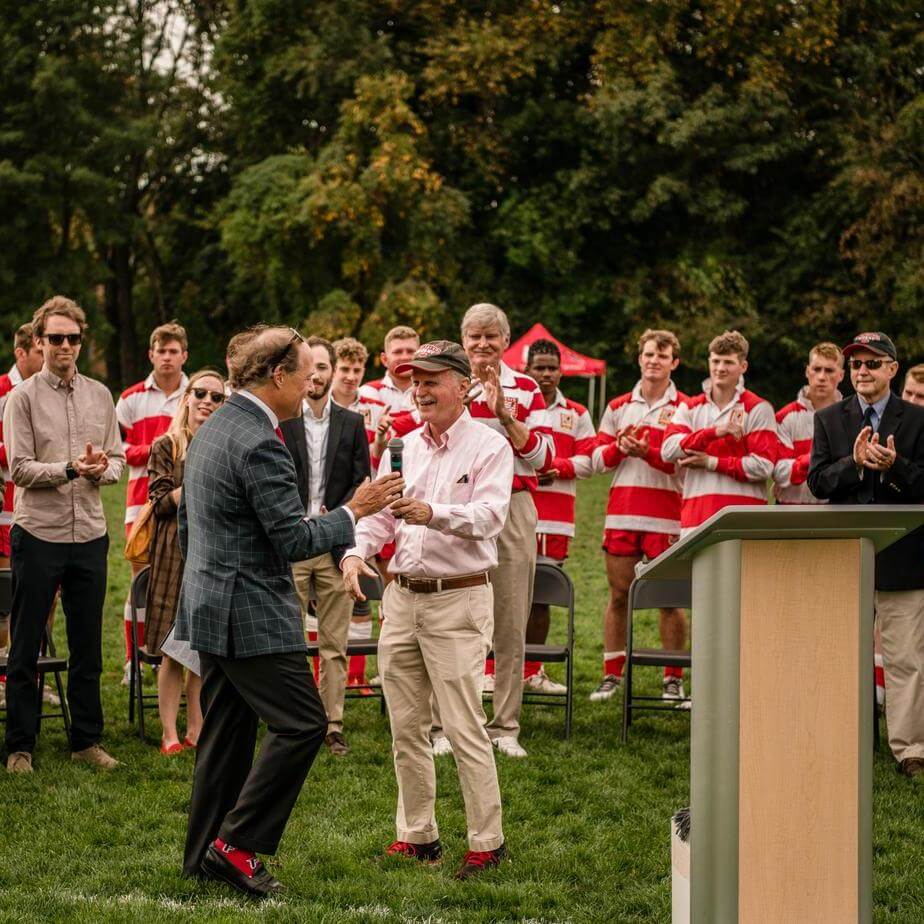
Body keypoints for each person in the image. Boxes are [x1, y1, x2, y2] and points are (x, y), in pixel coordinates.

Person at [175, 325, 402, 896]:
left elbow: (188, 529)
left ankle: (203, 855)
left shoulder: (215, 426)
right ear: (277, 376)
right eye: (305, 376)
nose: (312, 385)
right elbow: (293, 540)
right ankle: (235, 845)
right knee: (303, 725)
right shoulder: (258, 439)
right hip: (249, 612)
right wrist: (354, 510)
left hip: (210, 604)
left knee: (225, 735)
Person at [341, 340, 513, 880]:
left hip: (458, 599)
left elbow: (490, 517)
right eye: (414, 380)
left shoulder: (489, 446)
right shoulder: (402, 445)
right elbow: (379, 516)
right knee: (406, 728)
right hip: (402, 597)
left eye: (432, 380)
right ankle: (418, 835)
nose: (420, 390)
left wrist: (432, 512)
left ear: (463, 386)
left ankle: (488, 843)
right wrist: (353, 551)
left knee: (464, 727)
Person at [3, 296, 125, 774]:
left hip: (90, 533)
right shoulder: (23, 398)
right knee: (27, 643)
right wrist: (72, 468)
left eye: (73, 338)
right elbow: (19, 468)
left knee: (88, 645)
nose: (65, 346)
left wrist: (100, 471)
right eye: (55, 338)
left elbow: (116, 459)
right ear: (39, 341)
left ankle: (86, 741)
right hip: (39, 533)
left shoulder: (100, 394)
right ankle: (20, 746)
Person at [808, 332, 924, 779]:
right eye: (856, 364)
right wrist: (853, 465)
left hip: (904, 557)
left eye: (873, 364)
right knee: (839, 654)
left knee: (906, 659)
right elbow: (818, 482)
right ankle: (840, 739)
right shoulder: (829, 419)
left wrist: (895, 468)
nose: (863, 372)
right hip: (845, 556)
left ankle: (910, 748)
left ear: (893, 369)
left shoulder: (917, 420)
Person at [457, 303, 552, 759]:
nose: (482, 345)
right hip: (457, 510)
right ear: (463, 341)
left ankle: (505, 726)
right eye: (474, 336)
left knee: (510, 619)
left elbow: (542, 460)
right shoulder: (450, 382)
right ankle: (451, 724)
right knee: (455, 618)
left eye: (491, 336)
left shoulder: (528, 388)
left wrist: (506, 415)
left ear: (505, 340)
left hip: (513, 506)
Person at [280, 336, 371, 756]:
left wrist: (342, 522)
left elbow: (361, 482)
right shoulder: (282, 421)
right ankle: (293, 719)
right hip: (293, 542)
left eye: (323, 367)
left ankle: (332, 723)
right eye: (309, 367)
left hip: (334, 543)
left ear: (333, 370)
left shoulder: (352, 424)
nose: (316, 375)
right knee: (288, 638)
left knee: (335, 642)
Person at [590, 329, 688, 702]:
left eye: (662, 356)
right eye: (648, 354)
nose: (653, 361)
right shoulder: (617, 407)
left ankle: (672, 678)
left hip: (667, 516)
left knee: (669, 599)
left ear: (674, 363)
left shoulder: (686, 407)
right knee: (618, 596)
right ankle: (611, 674)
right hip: (623, 514)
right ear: (639, 359)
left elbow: (683, 464)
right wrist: (619, 448)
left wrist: (648, 451)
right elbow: (596, 460)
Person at [146, 369, 227, 755]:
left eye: (217, 397)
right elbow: (158, 501)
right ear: (188, 398)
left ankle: (197, 726)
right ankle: (169, 733)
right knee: (171, 650)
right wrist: (192, 486)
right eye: (201, 394)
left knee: (200, 648)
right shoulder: (167, 446)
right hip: (173, 555)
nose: (208, 402)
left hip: (210, 556)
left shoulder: (223, 447)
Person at [116, 322, 189, 682]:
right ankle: (135, 657)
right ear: (151, 355)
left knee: (182, 582)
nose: (167, 357)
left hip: (186, 505)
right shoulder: (131, 398)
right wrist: (157, 449)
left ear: (184, 356)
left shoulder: (200, 393)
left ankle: (177, 656)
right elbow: (116, 449)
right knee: (141, 581)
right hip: (140, 504)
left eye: (174, 351)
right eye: (161, 351)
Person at [522, 338, 595, 694]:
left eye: (552, 368)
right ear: (527, 370)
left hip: (556, 520)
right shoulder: (515, 406)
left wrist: (559, 467)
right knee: (502, 597)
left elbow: (592, 459)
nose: (547, 374)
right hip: (515, 517)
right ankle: (491, 669)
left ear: (561, 371)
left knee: (541, 598)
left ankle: (532, 671)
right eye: (540, 368)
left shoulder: (577, 413)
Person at [662, 330, 777, 534]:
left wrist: (710, 462)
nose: (720, 368)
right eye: (715, 361)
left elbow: (763, 466)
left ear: (743, 366)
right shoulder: (689, 407)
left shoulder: (759, 408)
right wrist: (713, 432)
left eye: (728, 362)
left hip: (744, 523)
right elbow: (668, 450)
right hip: (695, 523)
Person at [331, 336, 390, 686]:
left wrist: (380, 440)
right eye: (345, 369)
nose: (351, 376)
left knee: (361, 593)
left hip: (364, 507)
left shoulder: (372, 405)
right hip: (332, 506)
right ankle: (321, 675)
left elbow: (375, 459)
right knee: (321, 598)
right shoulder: (317, 404)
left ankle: (357, 676)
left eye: (357, 369)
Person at [0, 323, 45, 698]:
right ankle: (4, 676)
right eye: (40, 350)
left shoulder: (48, 394)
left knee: (43, 601)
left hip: (44, 514)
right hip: (5, 511)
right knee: (5, 599)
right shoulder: (2, 390)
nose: (48, 356)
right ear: (21, 353)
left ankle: (34, 673)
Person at [773, 342, 844, 505]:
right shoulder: (784, 417)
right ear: (807, 371)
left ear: (841, 375)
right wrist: (815, 460)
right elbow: (778, 471)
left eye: (829, 370)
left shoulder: (853, 416)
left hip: (835, 511)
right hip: (789, 510)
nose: (821, 377)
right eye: (816, 369)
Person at [359, 324, 421, 436]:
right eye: (398, 352)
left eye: (411, 351)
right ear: (384, 359)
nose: (405, 357)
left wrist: (389, 426)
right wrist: (420, 417)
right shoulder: (368, 391)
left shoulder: (431, 389)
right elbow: (369, 439)